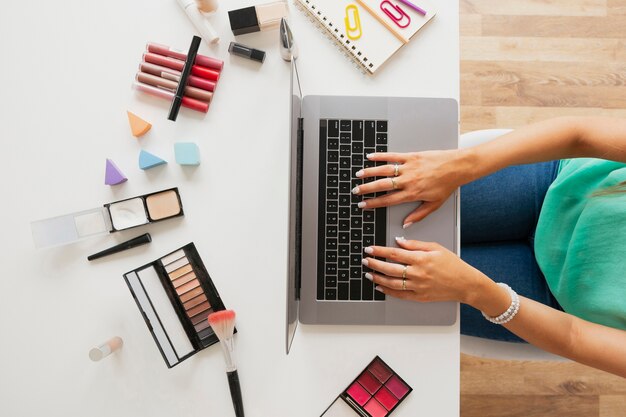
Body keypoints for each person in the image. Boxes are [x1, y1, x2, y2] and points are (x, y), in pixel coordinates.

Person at [351, 116, 626, 378]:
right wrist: (462, 165)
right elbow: (580, 135)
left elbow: (573, 338)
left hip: (549, 301)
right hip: (559, 187)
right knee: (357, 200)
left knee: (357, 282)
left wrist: (475, 290)